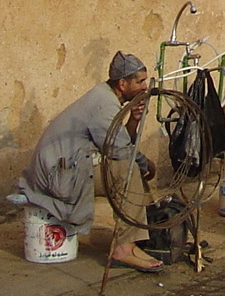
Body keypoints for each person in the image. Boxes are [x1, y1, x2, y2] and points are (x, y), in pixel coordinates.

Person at [15, 51, 162, 272]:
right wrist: (144, 162)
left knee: (129, 166)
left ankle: (141, 236)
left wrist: (133, 121)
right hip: (58, 177)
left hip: (66, 170)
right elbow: (119, 150)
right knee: (126, 169)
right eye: (139, 82)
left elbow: (117, 140)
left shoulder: (106, 97)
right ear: (123, 83)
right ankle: (123, 248)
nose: (144, 87)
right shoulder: (104, 104)